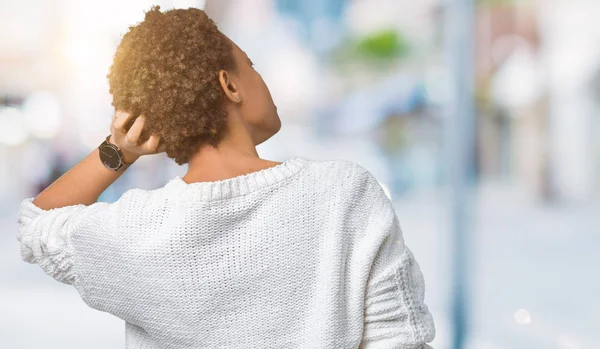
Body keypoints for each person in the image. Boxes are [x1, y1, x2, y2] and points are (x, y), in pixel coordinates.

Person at [16, 5, 435, 348]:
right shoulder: (344, 194)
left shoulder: (138, 229)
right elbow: (398, 340)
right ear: (229, 85)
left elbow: (36, 225)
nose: (261, 77)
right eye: (249, 65)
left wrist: (120, 150)